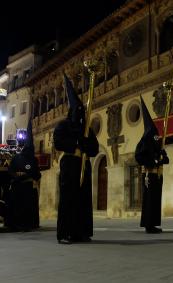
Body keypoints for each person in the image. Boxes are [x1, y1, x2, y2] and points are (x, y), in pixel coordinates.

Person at [54, 73, 98, 244]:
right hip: (70, 163)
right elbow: (58, 142)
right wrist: (77, 142)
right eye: (77, 111)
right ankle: (64, 233)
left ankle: (82, 232)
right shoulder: (63, 125)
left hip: (84, 163)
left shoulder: (87, 128)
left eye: (82, 111)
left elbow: (94, 148)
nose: (80, 114)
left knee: (84, 198)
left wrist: (86, 144)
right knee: (68, 198)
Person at [135, 96, 169, 234]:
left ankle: (154, 223)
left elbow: (166, 159)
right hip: (149, 174)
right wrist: (154, 161)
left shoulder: (157, 145)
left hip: (158, 175)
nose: (156, 137)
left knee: (156, 200)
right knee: (149, 200)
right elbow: (139, 157)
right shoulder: (143, 143)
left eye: (157, 135)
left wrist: (161, 157)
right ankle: (148, 225)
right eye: (154, 135)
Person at [6, 119, 41, 231]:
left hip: (27, 188)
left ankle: (26, 224)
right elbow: (11, 170)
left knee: (27, 208)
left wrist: (26, 175)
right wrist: (20, 176)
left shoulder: (33, 159)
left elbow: (37, 174)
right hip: (19, 187)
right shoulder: (17, 158)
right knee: (19, 207)